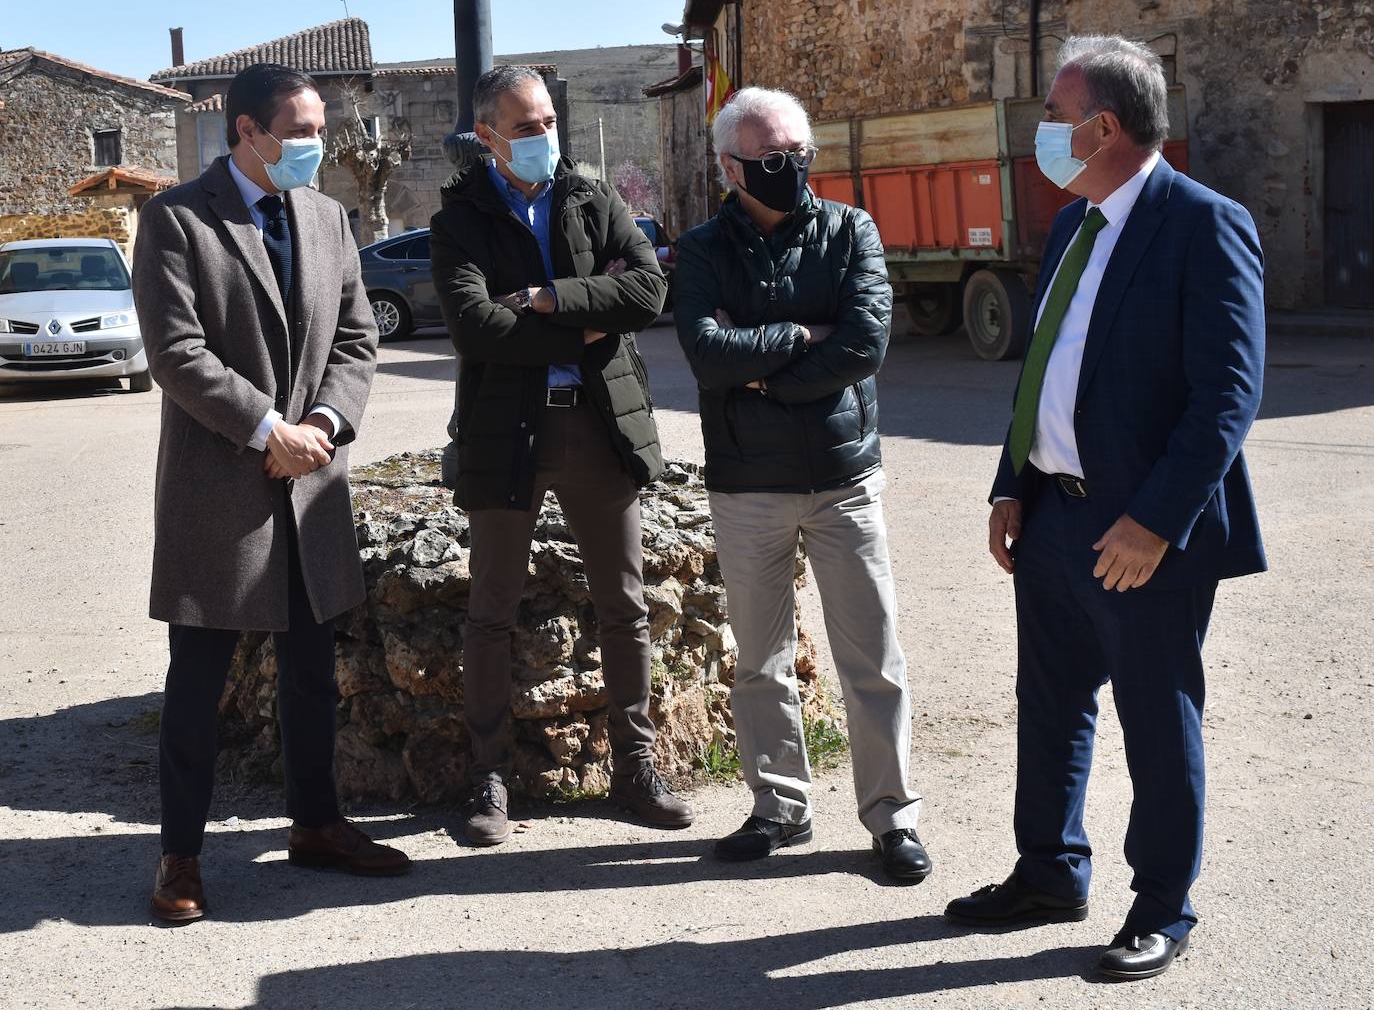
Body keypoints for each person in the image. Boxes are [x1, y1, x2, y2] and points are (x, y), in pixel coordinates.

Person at [944, 36, 1266, 980]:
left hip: (1143, 534)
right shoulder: (1073, 226)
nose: (1042, 131)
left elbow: (1227, 396)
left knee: (1156, 716)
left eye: (1053, 115)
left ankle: (1164, 905)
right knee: (1049, 705)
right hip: (1053, 517)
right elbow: (1043, 370)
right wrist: (1013, 482)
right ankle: (1049, 870)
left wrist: (1157, 523)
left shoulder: (1202, 223)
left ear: (1105, 127)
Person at [133, 63, 407, 923]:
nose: (315, 145)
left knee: (311, 675)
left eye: (320, 128)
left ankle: (318, 825)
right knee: (198, 682)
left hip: (311, 485)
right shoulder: (176, 219)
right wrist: (268, 429)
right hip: (224, 487)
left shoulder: (328, 218)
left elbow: (356, 340)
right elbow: (176, 353)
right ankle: (181, 854)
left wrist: (324, 422)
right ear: (246, 131)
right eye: (300, 130)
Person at [429, 65, 692, 845]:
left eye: (549, 121)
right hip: (506, 430)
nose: (546, 137)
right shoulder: (461, 220)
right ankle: (488, 778)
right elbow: (475, 328)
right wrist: (586, 318)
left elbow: (648, 294)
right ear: (487, 138)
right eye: (527, 127)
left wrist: (545, 299)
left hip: (598, 424)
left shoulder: (592, 196)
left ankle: (636, 767)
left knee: (626, 606)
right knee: (490, 612)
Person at [673, 87, 930, 882]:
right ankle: (780, 807)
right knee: (759, 661)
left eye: (799, 155)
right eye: (772, 159)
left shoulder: (851, 230)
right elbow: (707, 356)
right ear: (730, 165)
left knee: (873, 659)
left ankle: (891, 819)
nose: (791, 169)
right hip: (748, 486)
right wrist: (794, 337)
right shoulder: (703, 249)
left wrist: (765, 380)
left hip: (842, 480)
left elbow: (862, 345)